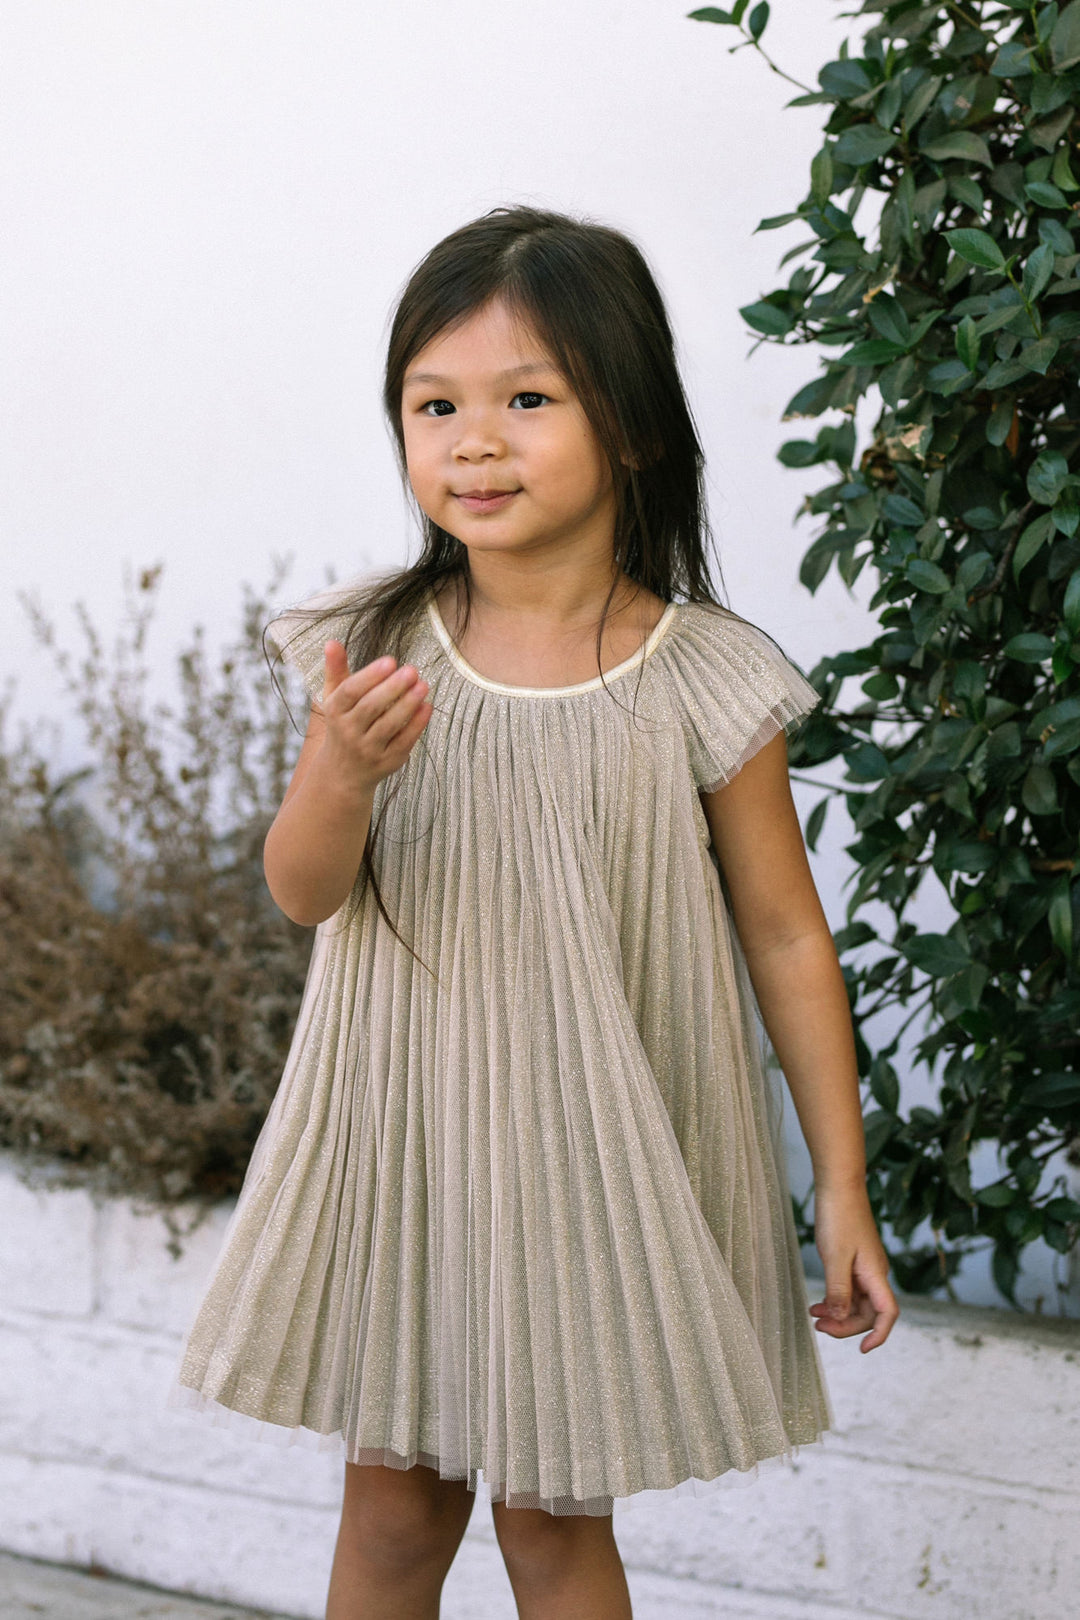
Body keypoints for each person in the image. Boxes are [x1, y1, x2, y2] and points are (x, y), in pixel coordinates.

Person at [169, 204, 899, 1620]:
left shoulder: (703, 677)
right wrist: (339, 773)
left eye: (525, 399)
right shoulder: (370, 648)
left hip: (588, 1167)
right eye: (434, 404)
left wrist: (844, 1185)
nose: (474, 441)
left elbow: (785, 935)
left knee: (552, 1526)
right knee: (388, 1515)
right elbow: (303, 892)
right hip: (410, 1150)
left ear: (627, 425)